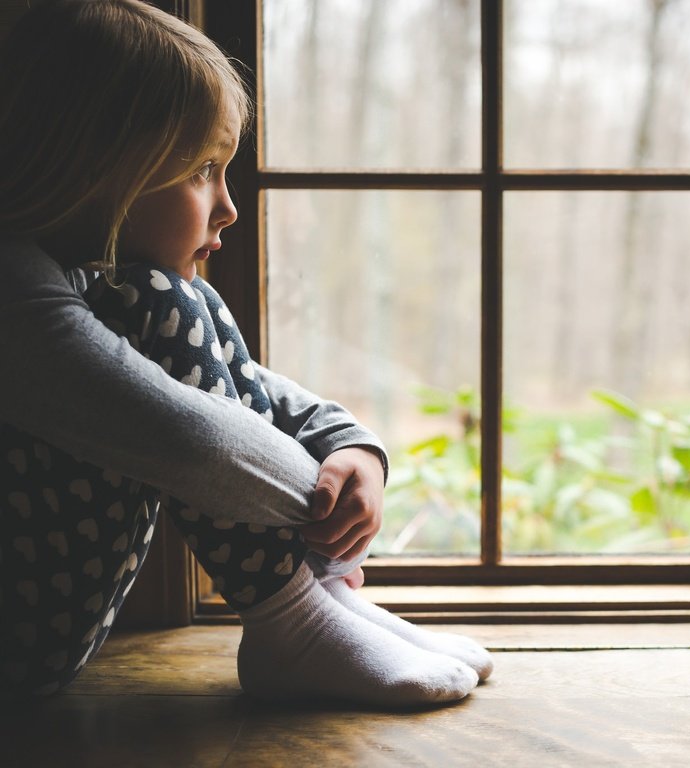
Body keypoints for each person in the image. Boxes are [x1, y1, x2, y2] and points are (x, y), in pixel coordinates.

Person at [0, 0, 492, 705]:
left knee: (162, 297)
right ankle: (292, 615)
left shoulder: (94, 285)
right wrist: (319, 519)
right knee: (159, 296)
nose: (228, 206)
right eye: (204, 170)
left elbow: (245, 389)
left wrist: (348, 446)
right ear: (99, 168)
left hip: (33, 637)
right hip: (15, 651)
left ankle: (312, 606)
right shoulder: (13, 293)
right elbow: (194, 442)